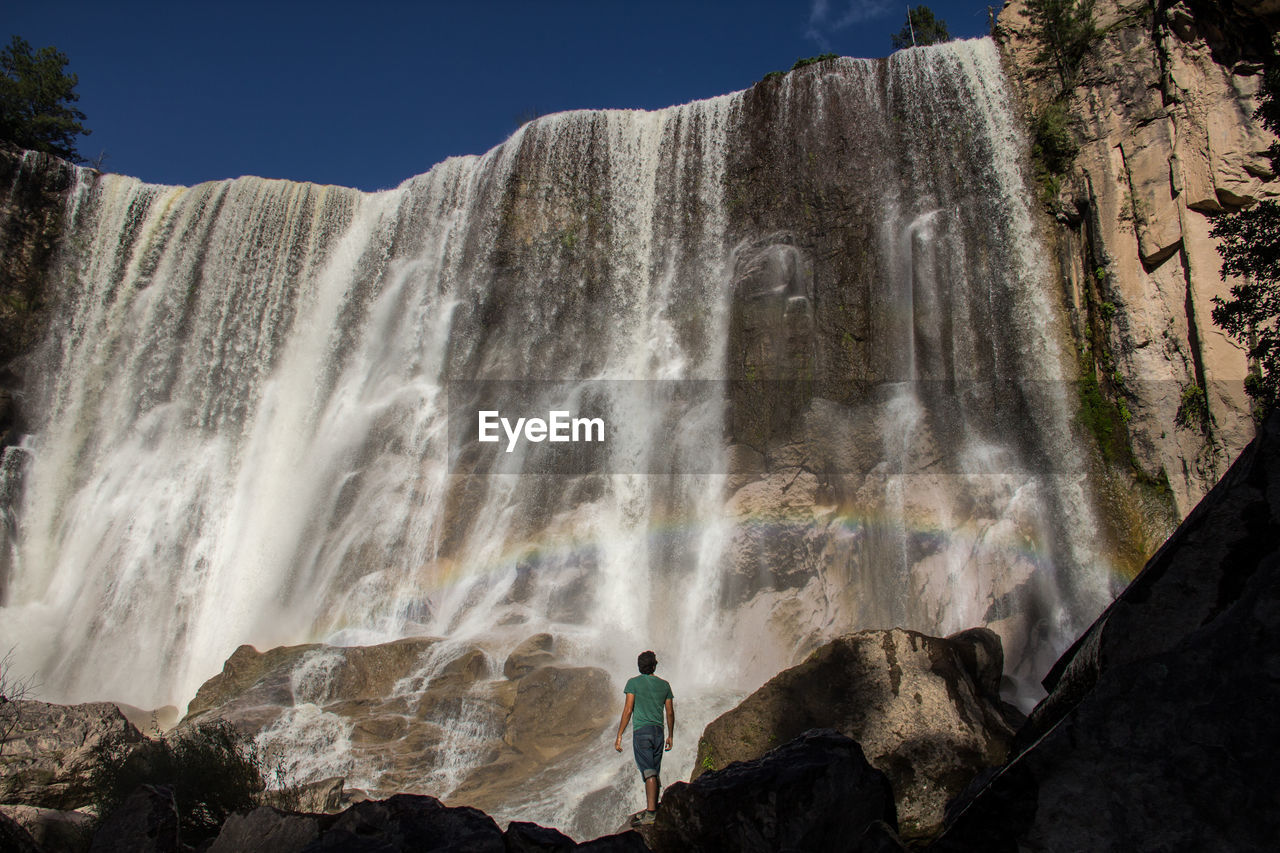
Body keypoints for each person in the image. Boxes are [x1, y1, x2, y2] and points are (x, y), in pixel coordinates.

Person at [614, 649, 674, 827]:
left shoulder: (633, 683)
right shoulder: (665, 685)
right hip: (659, 732)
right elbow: (669, 712)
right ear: (654, 665)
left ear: (639, 666)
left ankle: (651, 813)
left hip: (642, 732)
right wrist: (671, 735)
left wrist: (619, 735)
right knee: (654, 769)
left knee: (648, 771)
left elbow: (628, 709)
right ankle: (653, 807)